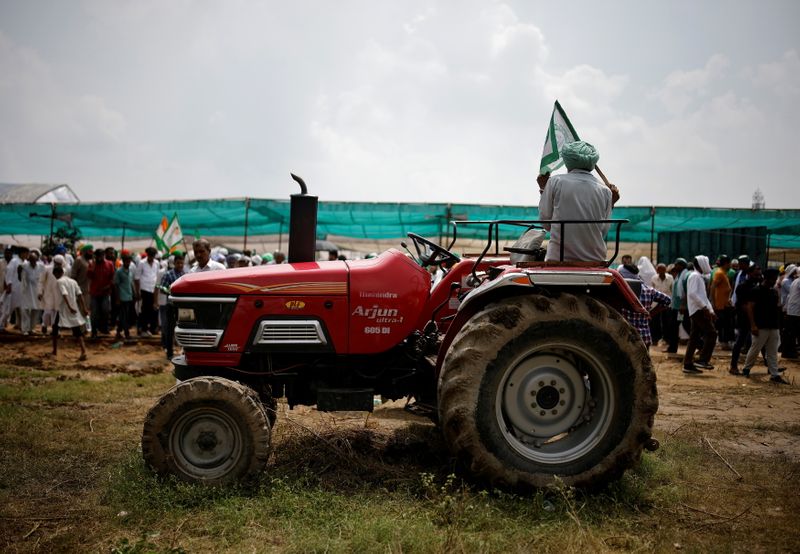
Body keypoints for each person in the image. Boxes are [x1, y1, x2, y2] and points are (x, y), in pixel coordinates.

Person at [537, 141, 620, 262]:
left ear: (567, 161)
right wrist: (611, 203)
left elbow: (545, 223)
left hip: (558, 258)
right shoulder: (605, 191)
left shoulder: (555, 182)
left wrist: (543, 189)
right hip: (596, 258)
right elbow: (603, 231)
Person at [741, 268, 789, 384]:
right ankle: (746, 368)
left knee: (772, 351)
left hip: (773, 326)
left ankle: (774, 374)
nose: (774, 281)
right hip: (761, 326)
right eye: (773, 279)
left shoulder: (773, 292)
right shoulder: (756, 291)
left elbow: (777, 308)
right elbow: (750, 308)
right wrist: (753, 325)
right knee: (755, 349)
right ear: (767, 278)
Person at [682, 255, 717, 374]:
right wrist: (705, 308)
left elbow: (703, 297)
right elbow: (692, 294)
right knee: (712, 333)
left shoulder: (698, 276)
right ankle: (703, 360)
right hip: (698, 310)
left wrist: (711, 310)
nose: (709, 265)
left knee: (694, 338)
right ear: (701, 264)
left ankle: (688, 364)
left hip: (698, 309)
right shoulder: (695, 276)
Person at [730, 264, 762, 375]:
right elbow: (744, 305)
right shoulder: (742, 287)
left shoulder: (757, 286)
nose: (758, 277)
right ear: (749, 273)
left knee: (762, 342)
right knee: (740, 341)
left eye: (759, 275)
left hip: (755, 318)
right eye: (756, 274)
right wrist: (752, 318)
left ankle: (770, 366)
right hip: (743, 318)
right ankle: (733, 366)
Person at [52, 265, 88, 361]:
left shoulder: (59, 281)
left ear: (57, 273)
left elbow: (64, 294)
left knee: (55, 329)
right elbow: (80, 295)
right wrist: (84, 308)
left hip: (64, 309)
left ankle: (54, 351)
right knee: (77, 330)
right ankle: (83, 351)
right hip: (74, 308)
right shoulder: (73, 281)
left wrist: (69, 307)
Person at [158, 252, 186, 359]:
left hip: (182, 307)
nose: (180, 265)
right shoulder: (168, 274)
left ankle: (183, 352)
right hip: (171, 306)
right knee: (170, 330)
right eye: (178, 263)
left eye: (182, 263)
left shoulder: (184, 275)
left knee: (183, 329)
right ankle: (169, 353)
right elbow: (162, 288)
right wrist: (171, 291)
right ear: (174, 263)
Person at [87, 247, 115, 338]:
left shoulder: (109, 264)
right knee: (94, 312)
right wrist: (94, 265)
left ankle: (104, 328)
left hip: (105, 292)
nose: (100, 258)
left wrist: (109, 285)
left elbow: (112, 277)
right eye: (99, 256)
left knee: (106, 310)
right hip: (95, 292)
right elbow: (89, 275)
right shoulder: (92, 264)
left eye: (102, 256)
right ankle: (94, 330)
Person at [134, 247, 160, 336]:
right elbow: (136, 278)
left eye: (153, 255)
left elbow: (157, 276)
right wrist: (138, 292)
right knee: (145, 310)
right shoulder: (141, 263)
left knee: (154, 309)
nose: (151, 257)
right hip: (145, 289)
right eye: (150, 255)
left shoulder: (157, 263)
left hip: (154, 289)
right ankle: (143, 329)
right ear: (147, 255)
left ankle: (153, 328)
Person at [664, 258, 688, 353]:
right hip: (675, 307)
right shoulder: (679, 275)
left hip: (681, 307)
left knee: (686, 326)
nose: (675, 266)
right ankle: (672, 348)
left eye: (677, 265)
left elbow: (685, 292)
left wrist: (682, 305)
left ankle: (701, 345)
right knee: (673, 327)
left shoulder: (685, 276)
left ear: (681, 266)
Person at [710, 255, 734, 348]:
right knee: (722, 325)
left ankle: (725, 342)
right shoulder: (719, 273)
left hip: (725, 304)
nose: (730, 265)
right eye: (729, 263)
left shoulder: (724, 273)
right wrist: (713, 303)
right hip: (720, 305)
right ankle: (722, 342)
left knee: (726, 324)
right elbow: (713, 287)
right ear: (726, 263)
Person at [39, 254, 65, 335]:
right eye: (57, 263)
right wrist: (40, 292)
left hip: (59, 294)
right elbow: (41, 281)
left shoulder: (64, 270)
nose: (58, 265)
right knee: (48, 311)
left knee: (57, 312)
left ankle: (55, 328)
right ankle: (44, 325)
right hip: (48, 293)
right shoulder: (47, 269)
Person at [20, 250, 45, 334]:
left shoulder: (41, 266)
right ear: (29, 260)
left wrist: (42, 291)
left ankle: (31, 328)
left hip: (37, 291)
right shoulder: (24, 266)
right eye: (31, 260)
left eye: (34, 260)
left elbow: (43, 279)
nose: (33, 262)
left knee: (36, 310)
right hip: (26, 291)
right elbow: (21, 278)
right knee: (25, 310)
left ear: (37, 259)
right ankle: (25, 329)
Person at [650, 263, 674, 346]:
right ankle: (655, 339)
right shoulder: (654, 278)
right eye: (659, 270)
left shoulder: (670, 278)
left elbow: (672, 290)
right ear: (657, 270)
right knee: (655, 322)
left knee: (667, 321)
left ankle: (666, 339)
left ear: (665, 270)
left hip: (667, 303)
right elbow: (652, 290)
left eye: (662, 269)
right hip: (656, 303)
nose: (661, 271)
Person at [114, 250, 135, 339]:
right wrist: (118, 298)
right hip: (122, 297)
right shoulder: (119, 272)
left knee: (124, 316)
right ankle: (126, 333)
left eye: (129, 261)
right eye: (126, 261)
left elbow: (131, 283)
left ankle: (118, 331)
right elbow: (116, 285)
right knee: (124, 316)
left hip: (129, 296)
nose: (128, 263)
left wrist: (134, 293)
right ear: (123, 261)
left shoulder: (130, 271)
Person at [779, 264, 797, 359]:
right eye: (794, 271)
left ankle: (784, 347)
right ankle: (784, 348)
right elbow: (792, 291)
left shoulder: (792, 281)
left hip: (789, 307)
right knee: (786, 330)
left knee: (788, 330)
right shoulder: (786, 281)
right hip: (786, 307)